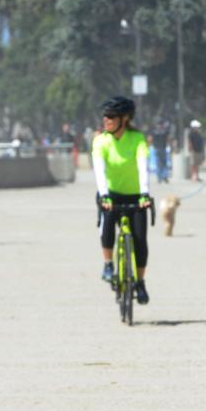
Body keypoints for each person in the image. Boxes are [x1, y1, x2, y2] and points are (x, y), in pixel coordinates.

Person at [91, 97, 152, 304]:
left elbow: (143, 166)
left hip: (136, 195)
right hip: (111, 193)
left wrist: (145, 193)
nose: (106, 120)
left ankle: (140, 282)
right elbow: (99, 170)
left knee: (140, 240)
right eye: (105, 116)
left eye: (111, 116)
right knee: (108, 223)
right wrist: (105, 195)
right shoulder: (100, 141)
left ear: (124, 119)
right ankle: (108, 263)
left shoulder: (137, 139)